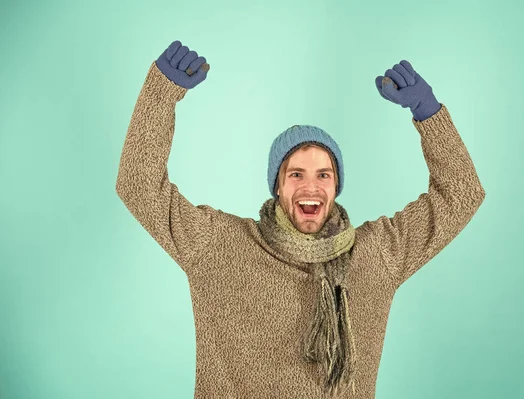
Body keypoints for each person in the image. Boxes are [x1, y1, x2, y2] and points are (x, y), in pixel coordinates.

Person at [115, 40, 485, 398]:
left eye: (323, 174)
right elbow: (139, 186)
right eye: (296, 174)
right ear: (277, 186)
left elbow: (460, 194)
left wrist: (428, 111)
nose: (311, 186)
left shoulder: (377, 253)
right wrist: (161, 94)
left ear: (337, 185)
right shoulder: (219, 245)